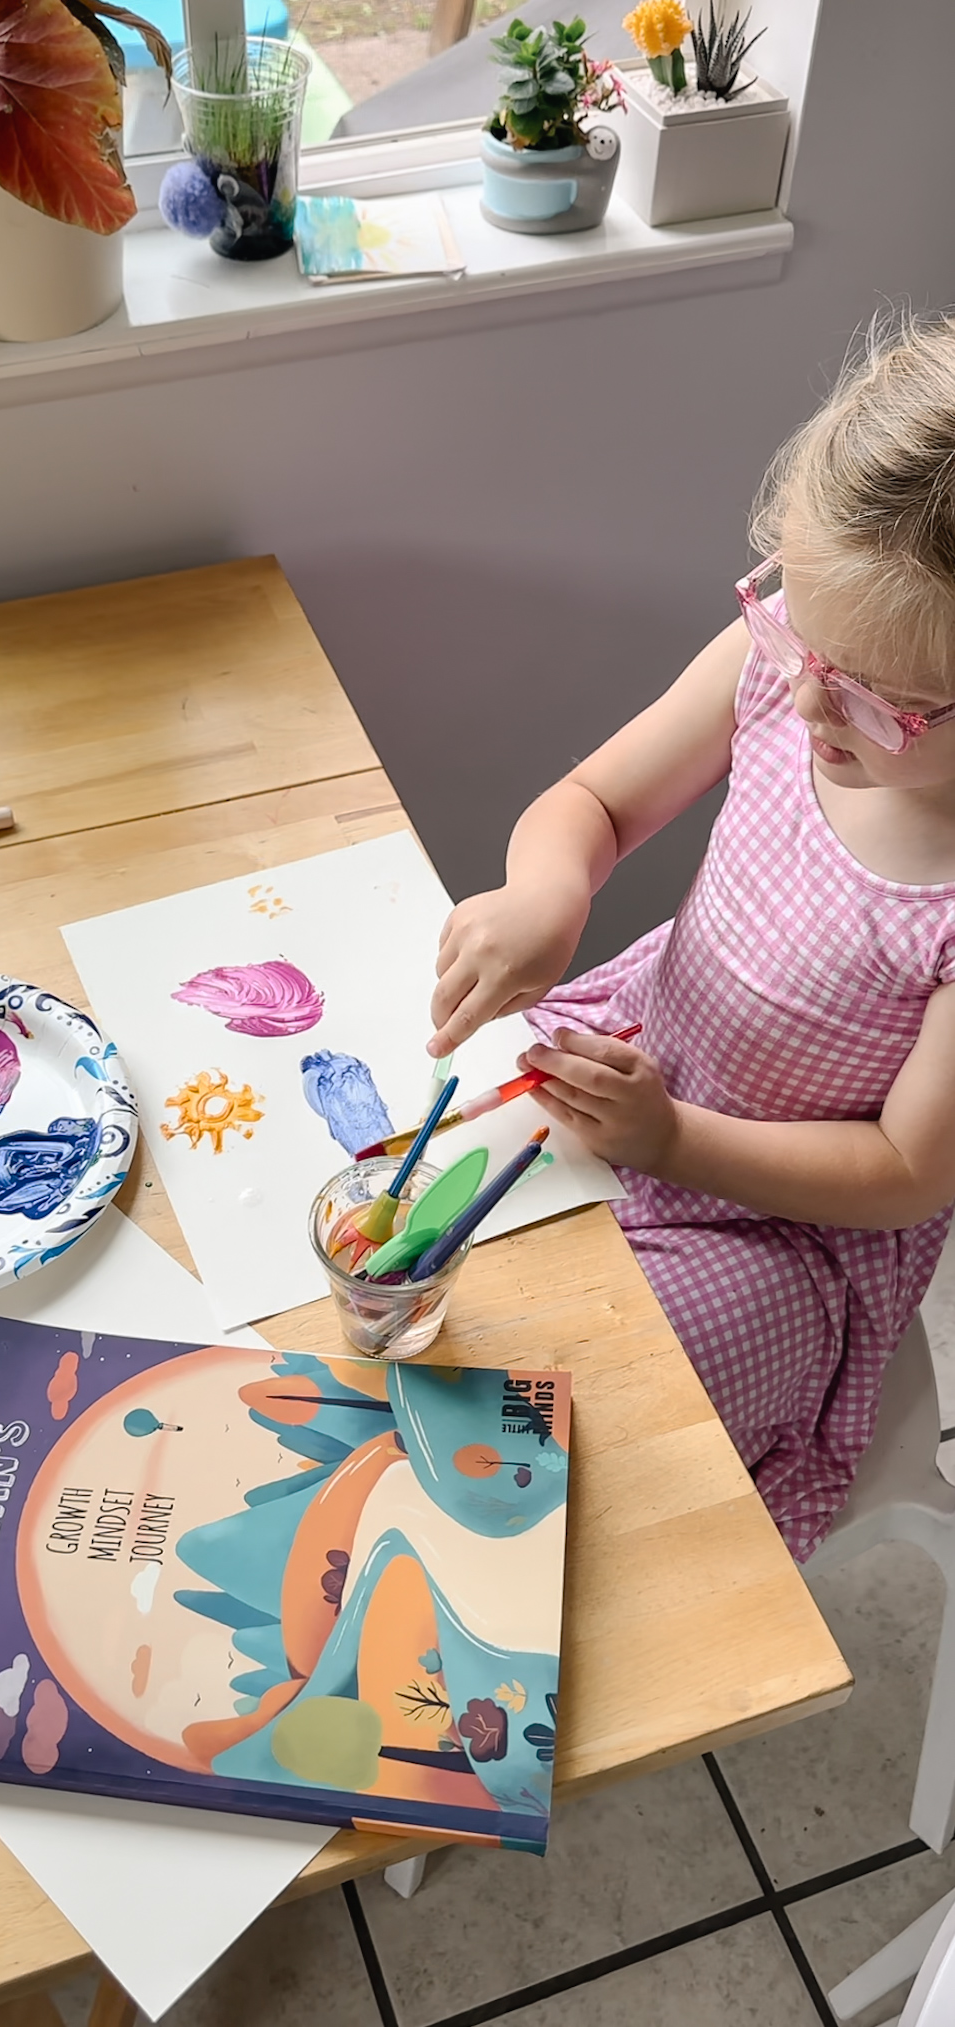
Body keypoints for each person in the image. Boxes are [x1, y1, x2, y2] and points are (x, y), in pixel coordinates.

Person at [427, 313, 955, 1560]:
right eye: (797, 631)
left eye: (879, 697)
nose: (810, 695)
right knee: (414, 1253)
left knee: (575, 1412)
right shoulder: (793, 668)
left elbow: (906, 1172)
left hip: (786, 1231)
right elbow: (596, 804)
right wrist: (547, 897)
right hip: (629, 1055)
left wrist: (673, 1139)